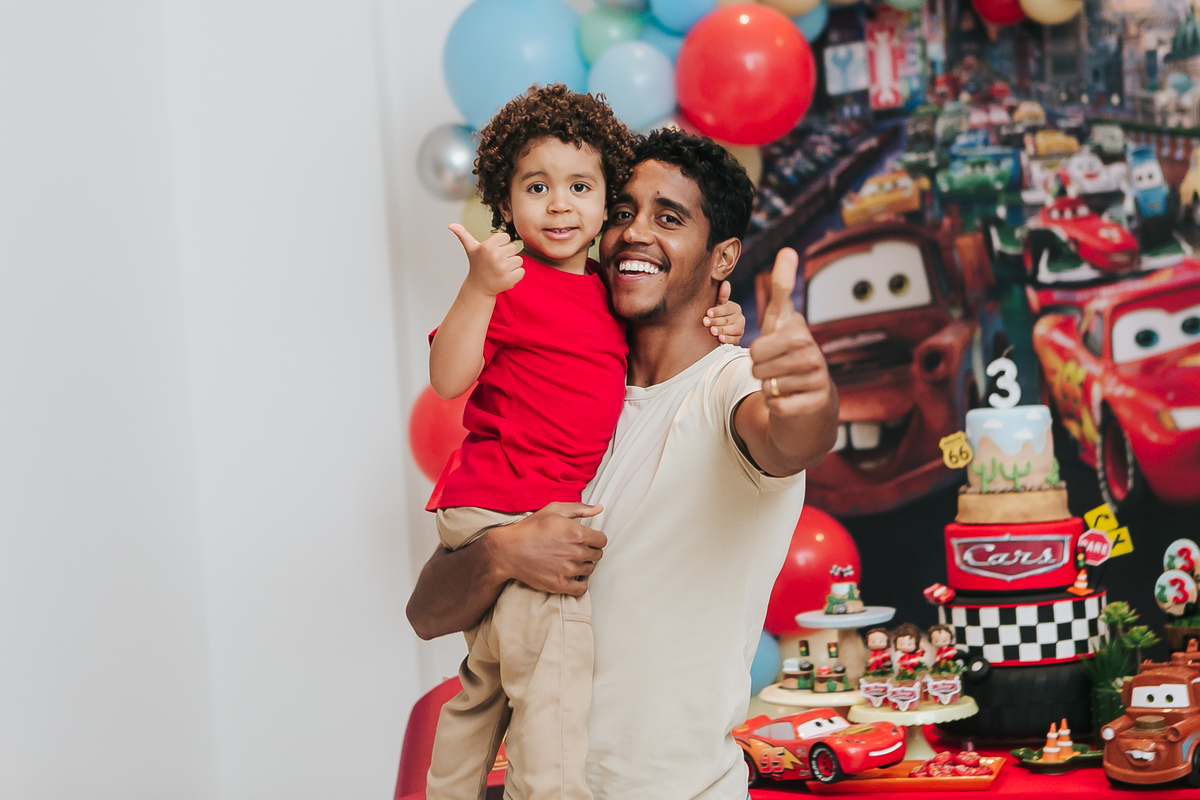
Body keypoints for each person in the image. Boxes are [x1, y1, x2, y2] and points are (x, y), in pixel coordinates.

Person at [409, 128, 839, 799]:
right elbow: (427, 612)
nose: (635, 232)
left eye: (669, 218)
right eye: (621, 211)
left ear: (724, 256)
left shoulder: (730, 390)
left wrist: (811, 396)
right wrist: (503, 553)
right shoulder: (567, 395)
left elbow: (790, 437)